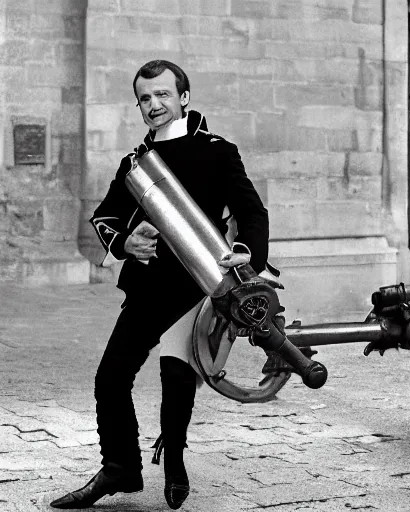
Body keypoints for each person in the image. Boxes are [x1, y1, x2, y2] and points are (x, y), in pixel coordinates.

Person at [50, 60, 269, 510]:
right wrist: (126, 242)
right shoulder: (135, 163)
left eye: (163, 95)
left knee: (176, 376)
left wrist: (247, 250)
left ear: (184, 98)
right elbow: (105, 216)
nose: (154, 105)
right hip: (150, 288)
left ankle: (175, 464)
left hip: (199, 284)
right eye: (145, 98)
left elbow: (252, 211)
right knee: (110, 377)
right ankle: (120, 469)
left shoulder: (217, 151)